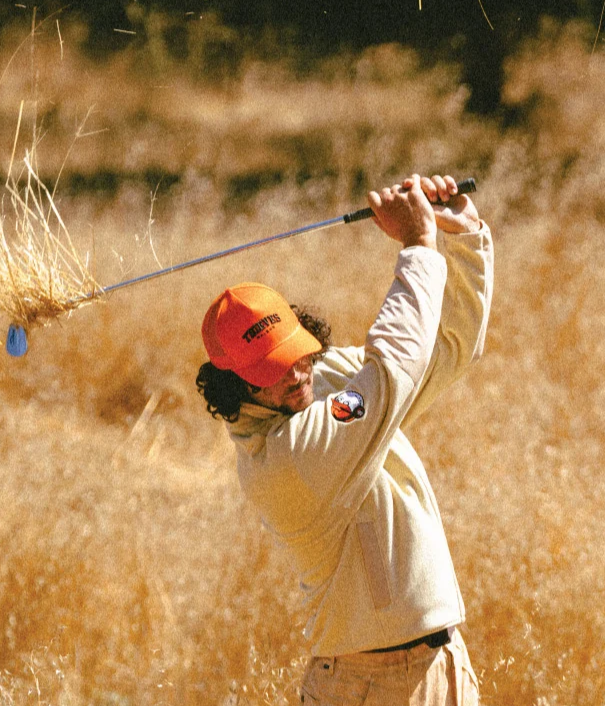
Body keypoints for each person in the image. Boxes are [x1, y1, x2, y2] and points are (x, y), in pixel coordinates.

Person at [197, 174, 492, 705]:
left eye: (296, 351)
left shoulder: (328, 377)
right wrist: (419, 246)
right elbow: (389, 371)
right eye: (271, 369)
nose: (295, 374)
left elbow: (445, 347)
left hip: (441, 663)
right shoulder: (286, 458)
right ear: (234, 386)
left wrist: (465, 237)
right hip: (370, 685)